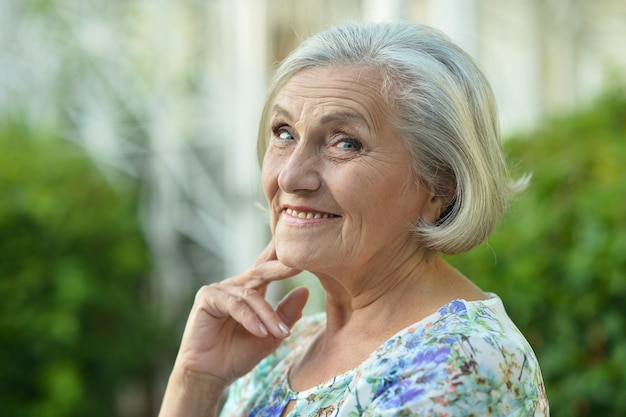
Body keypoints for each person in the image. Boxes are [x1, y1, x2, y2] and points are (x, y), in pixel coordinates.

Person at [159, 21, 549, 416]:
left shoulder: (459, 360)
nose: (290, 177)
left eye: (345, 142)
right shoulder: (286, 346)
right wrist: (195, 382)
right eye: (284, 133)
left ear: (440, 185)